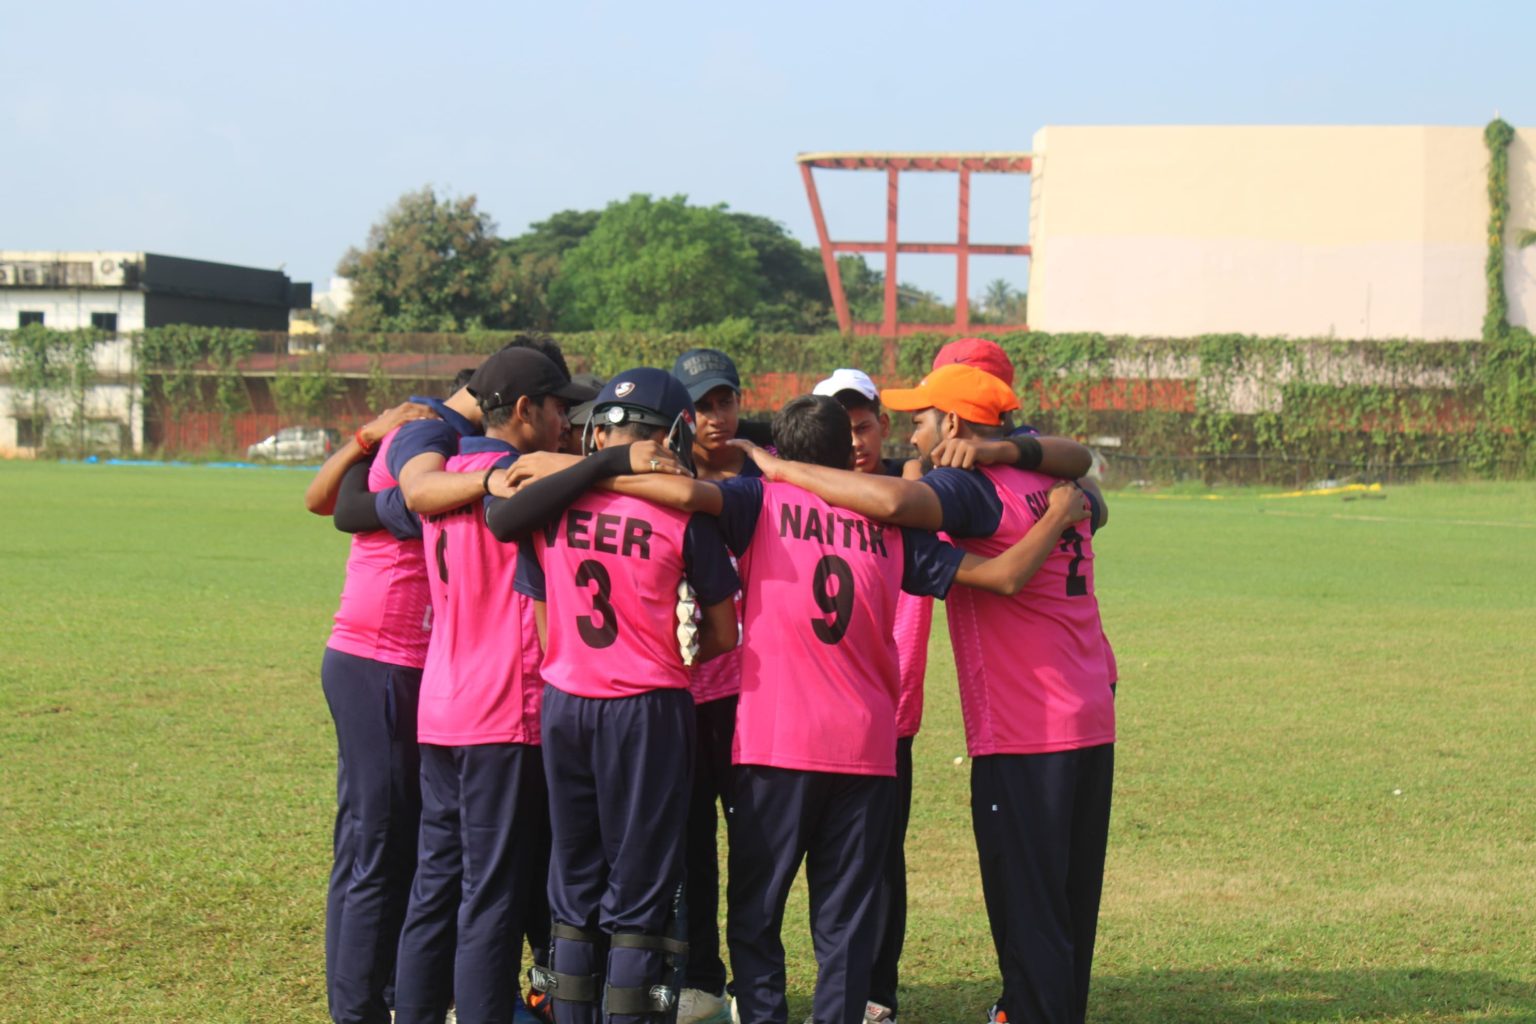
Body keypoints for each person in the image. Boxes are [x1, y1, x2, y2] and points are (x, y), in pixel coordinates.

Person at [499, 394, 1091, 1024]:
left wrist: (586, 469)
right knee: (845, 925)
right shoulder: (891, 526)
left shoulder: (759, 502)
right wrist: (1057, 516)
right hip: (866, 751)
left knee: (756, 917)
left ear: (781, 452)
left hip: (772, 749)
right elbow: (999, 577)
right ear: (848, 455)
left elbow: (682, 496)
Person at [730, 365, 1114, 1024]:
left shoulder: (955, 489)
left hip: (804, 739)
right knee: (1056, 901)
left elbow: (891, 506)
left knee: (761, 912)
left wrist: (775, 471)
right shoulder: (1049, 483)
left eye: (919, 419)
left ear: (955, 425)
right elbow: (1070, 475)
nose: (910, 432)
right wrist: (1027, 476)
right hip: (1040, 717)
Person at [505, 368, 741, 1024]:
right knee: (640, 893)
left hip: (565, 699)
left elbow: (546, 625)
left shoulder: (554, 502)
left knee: (574, 884)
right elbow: (722, 632)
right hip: (646, 706)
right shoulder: (682, 511)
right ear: (671, 435)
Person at [309, 397, 441, 1024]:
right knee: (377, 844)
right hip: (379, 659)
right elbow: (329, 505)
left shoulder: (435, 444)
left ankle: (378, 994)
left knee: (383, 838)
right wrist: (367, 436)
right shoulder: (417, 445)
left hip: (396, 661)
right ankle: (357, 1009)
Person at [808, 368, 919, 1024]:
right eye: (840, 429)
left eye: (862, 426)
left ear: (883, 424)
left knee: (879, 863)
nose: (854, 441)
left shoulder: (914, 494)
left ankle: (877, 991)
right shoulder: (800, 493)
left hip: (887, 716)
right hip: (806, 714)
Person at [668, 348, 759, 1024]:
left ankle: (757, 984)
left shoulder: (767, 472)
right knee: (691, 844)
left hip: (752, 691)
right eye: (701, 404)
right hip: (677, 693)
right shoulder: (657, 474)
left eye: (724, 400)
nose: (716, 416)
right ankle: (701, 979)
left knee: (755, 846)